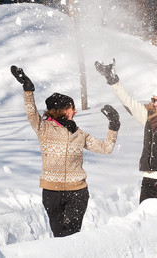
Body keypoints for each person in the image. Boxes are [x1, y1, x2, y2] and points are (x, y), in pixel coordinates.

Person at [10, 65, 120, 237]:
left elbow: (106, 148)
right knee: (59, 237)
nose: (75, 111)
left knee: (70, 236)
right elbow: (32, 114)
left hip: (77, 192)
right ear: (61, 110)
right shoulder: (44, 129)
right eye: (71, 107)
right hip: (51, 193)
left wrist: (114, 126)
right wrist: (28, 89)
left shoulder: (79, 134)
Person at [95, 60, 157, 207]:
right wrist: (113, 81)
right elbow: (129, 102)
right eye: (153, 100)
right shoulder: (149, 117)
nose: (154, 104)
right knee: (146, 225)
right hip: (148, 181)